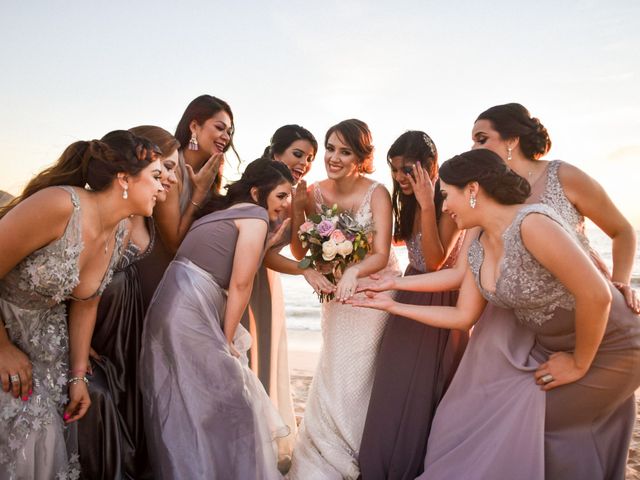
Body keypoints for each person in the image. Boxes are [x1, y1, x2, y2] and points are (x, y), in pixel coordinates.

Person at [350, 149, 640, 479]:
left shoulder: (532, 224)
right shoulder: (480, 246)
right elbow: (462, 317)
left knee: (522, 426)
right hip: (557, 349)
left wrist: (578, 364)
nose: (444, 206)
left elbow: (597, 294)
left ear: (472, 190)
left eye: (447, 196)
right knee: (478, 421)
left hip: (610, 347)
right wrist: (393, 303)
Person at [0, 131, 162, 479]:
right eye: (156, 177)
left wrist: (76, 376)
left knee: (40, 442)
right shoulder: (59, 205)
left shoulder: (120, 233)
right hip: (5, 333)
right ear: (124, 179)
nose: (162, 189)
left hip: (46, 350)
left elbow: (87, 303)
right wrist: (2, 348)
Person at [140, 158, 294, 479]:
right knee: (235, 401)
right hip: (190, 306)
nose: (287, 204)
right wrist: (225, 340)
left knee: (188, 403)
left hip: (170, 302)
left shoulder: (220, 214)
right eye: (281, 195)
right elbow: (241, 282)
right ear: (257, 192)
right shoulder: (255, 215)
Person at [288, 119, 400, 480]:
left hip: (374, 291)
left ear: (361, 157)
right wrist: (297, 210)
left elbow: (381, 252)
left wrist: (354, 271)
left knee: (361, 374)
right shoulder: (314, 192)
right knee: (334, 366)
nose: (333, 158)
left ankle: (360, 448)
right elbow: (299, 247)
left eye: (344, 151)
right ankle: (326, 451)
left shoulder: (377, 192)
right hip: (336, 296)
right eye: (330, 148)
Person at [357, 131, 466, 480]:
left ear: (429, 166)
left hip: (438, 297)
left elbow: (435, 260)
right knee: (393, 380)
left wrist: (428, 204)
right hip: (409, 290)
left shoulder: (445, 202)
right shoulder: (406, 200)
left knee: (422, 388)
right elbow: (397, 241)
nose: (401, 178)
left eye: (407, 169)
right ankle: (379, 463)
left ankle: (409, 466)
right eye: (395, 170)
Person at [76, 126, 179, 479]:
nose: (169, 178)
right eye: (163, 168)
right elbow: (78, 287)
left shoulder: (148, 212)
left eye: (174, 170)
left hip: (130, 330)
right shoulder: (93, 211)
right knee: (102, 399)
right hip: (102, 330)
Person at [242, 125, 335, 467]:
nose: (304, 163)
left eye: (310, 158)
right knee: (243, 358)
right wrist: (305, 270)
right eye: (298, 154)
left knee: (262, 356)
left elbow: (291, 247)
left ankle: (261, 444)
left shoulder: (298, 194)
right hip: (240, 278)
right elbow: (260, 248)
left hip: (266, 282)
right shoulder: (257, 186)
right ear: (275, 151)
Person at [142, 95, 236, 305]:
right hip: (156, 273)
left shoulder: (211, 172)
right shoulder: (170, 168)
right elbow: (174, 243)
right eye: (220, 128)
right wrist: (199, 193)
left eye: (229, 132)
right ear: (194, 126)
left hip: (189, 281)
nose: (226, 137)